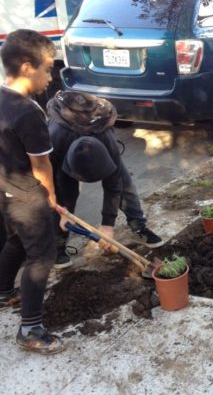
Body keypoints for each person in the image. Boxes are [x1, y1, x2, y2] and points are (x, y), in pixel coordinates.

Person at [0, 29, 66, 354]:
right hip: (27, 195)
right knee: (41, 255)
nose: (50, 76)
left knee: (15, 240)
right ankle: (30, 328)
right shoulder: (29, 112)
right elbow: (42, 166)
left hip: (5, 191)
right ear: (27, 67)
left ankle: (2, 292)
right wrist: (51, 198)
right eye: (48, 68)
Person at [47, 91, 163, 268]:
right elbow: (52, 183)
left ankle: (138, 227)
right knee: (65, 194)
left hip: (95, 135)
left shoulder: (107, 142)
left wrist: (107, 225)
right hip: (62, 151)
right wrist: (64, 212)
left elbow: (114, 183)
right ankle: (58, 245)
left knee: (125, 184)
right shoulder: (55, 140)